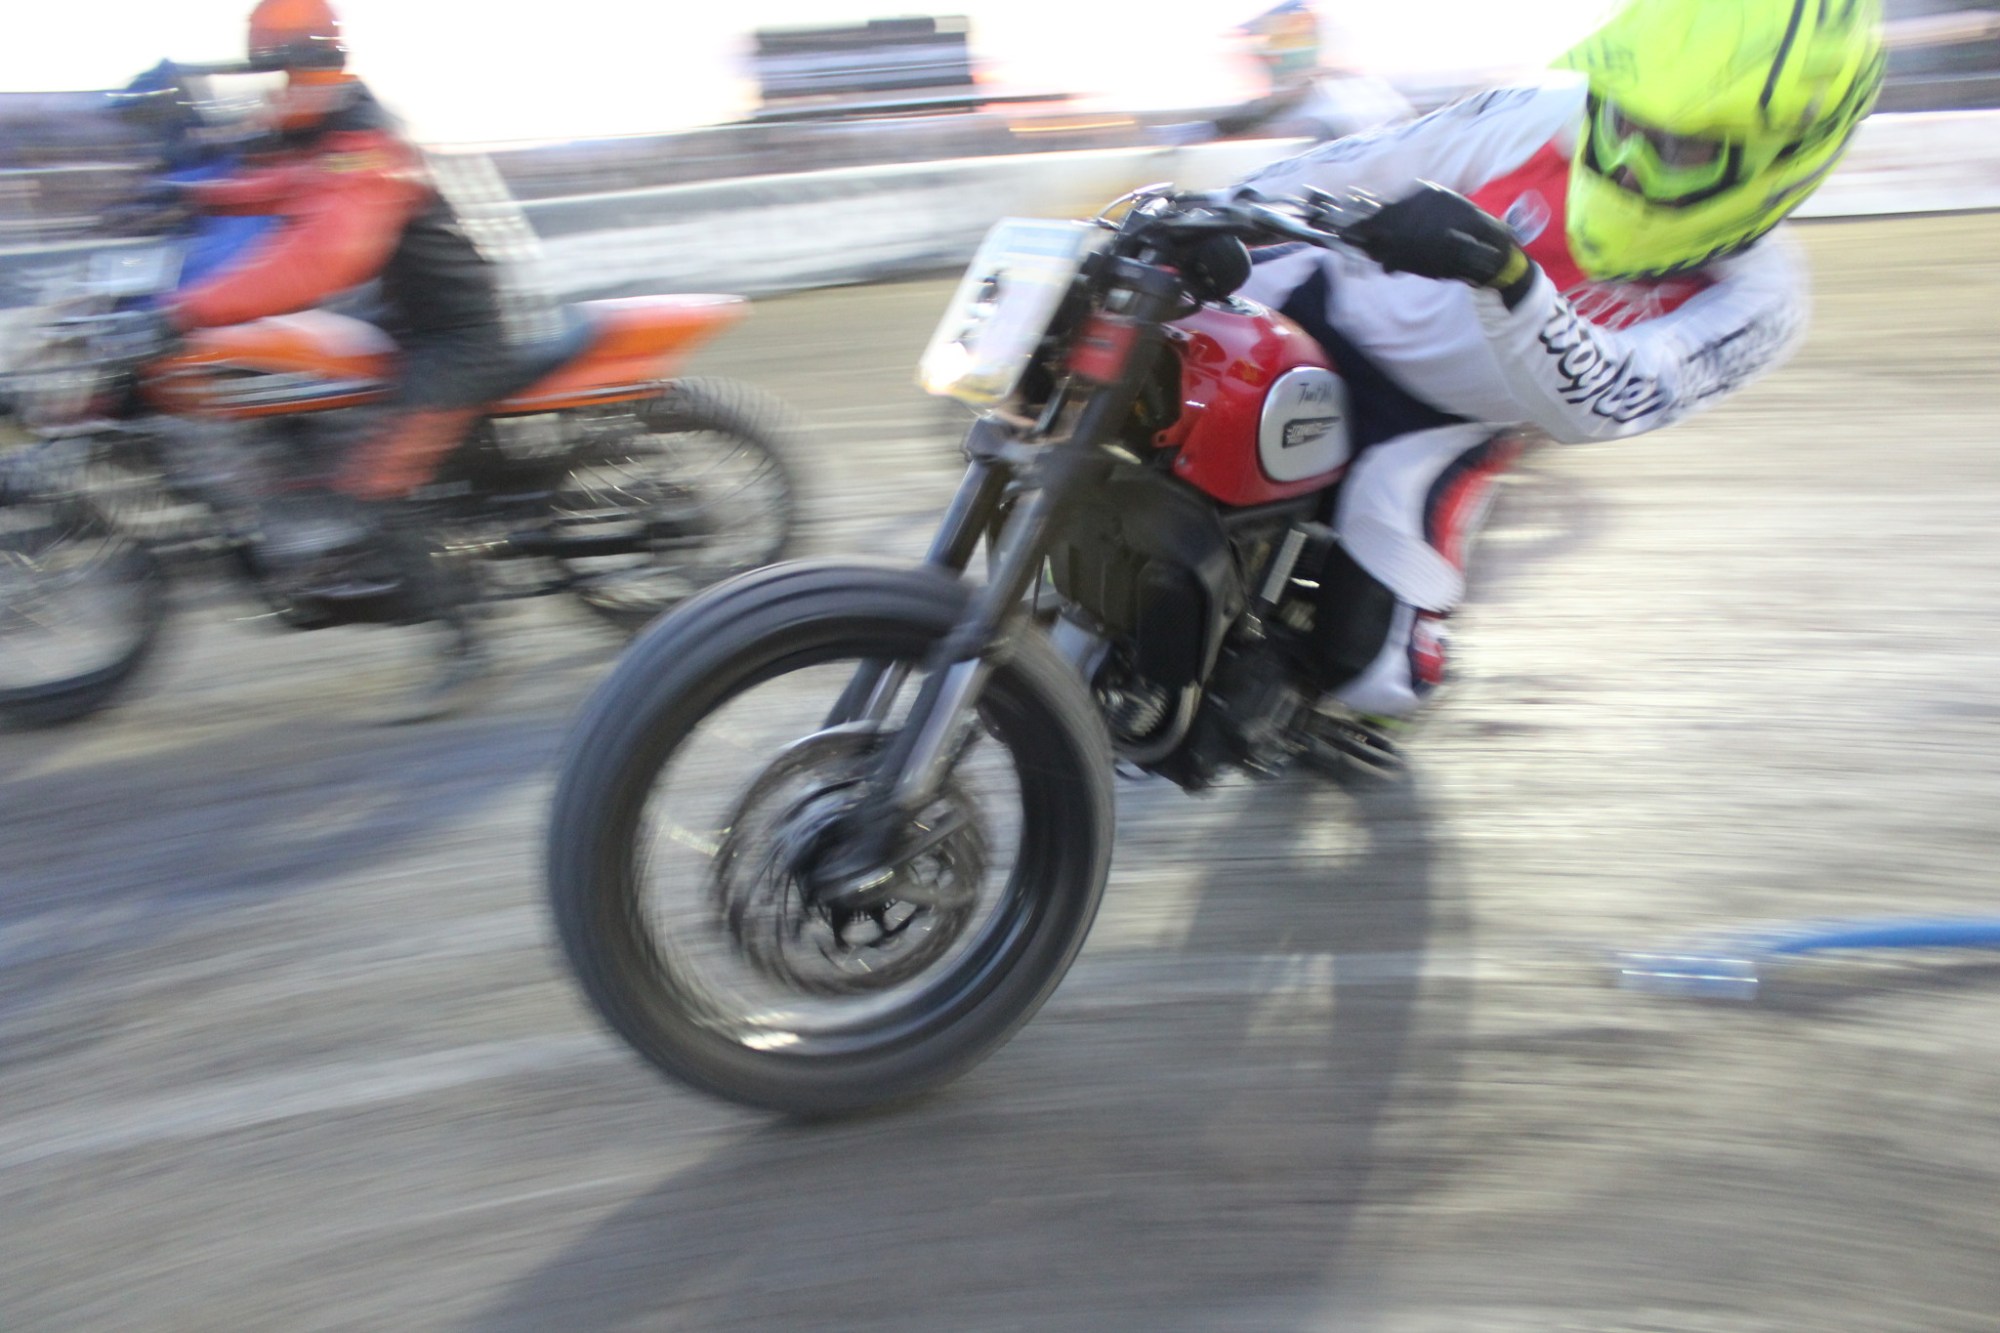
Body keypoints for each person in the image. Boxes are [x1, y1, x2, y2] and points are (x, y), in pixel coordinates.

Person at [1226, 0, 1884, 768]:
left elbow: (1597, 406)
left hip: (1433, 426)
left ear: (1789, 153)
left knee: (1380, 679)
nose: (1637, 154)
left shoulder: (1762, 300)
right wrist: (1216, 215)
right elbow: (1355, 164)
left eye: (1682, 144)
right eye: (1630, 121)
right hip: (1314, 294)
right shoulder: (1552, 109)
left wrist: (1505, 276)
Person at [148, 0, 520, 718]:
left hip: (458, 337)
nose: (269, 92)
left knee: (375, 474)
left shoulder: (366, 141)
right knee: (322, 410)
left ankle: (465, 646)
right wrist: (189, 195)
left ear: (307, 61)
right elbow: (284, 187)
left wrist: (188, 310)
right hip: (407, 326)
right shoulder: (334, 127)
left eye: (275, 72)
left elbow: (323, 254)